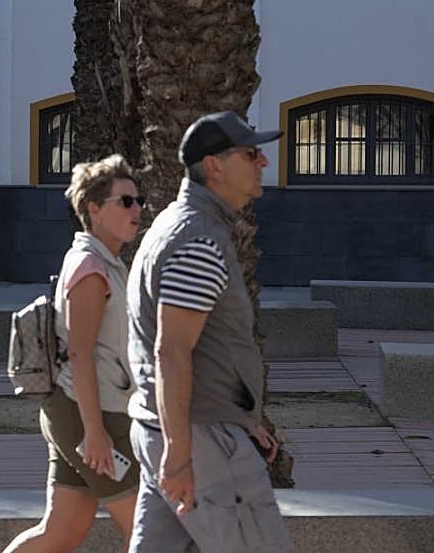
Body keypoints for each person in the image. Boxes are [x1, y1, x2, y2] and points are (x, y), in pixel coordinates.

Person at [126, 111, 293, 553]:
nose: (263, 163)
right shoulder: (197, 239)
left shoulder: (179, 225)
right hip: (199, 439)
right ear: (214, 166)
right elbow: (172, 351)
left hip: (176, 427)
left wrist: (241, 418)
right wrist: (181, 455)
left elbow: (204, 348)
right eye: (251, 153)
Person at [4, 155, 144, 552]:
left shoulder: (107, 263)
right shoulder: (90, 268)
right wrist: (95, 433)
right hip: (89, 418)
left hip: (81, 413)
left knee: (60, 533)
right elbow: (80, 355)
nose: (137, 210)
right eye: (126, 201)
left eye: (138, 201)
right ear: (94, 209)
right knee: (146, 532)